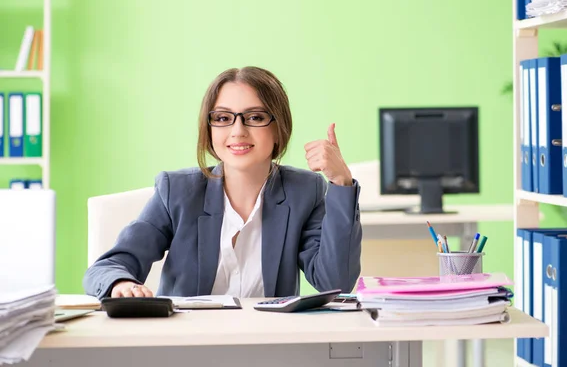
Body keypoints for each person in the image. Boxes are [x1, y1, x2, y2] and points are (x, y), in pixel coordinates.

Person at [83, 66, 362, 299]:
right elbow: (109, 266)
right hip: (188, 344)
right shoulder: (177, 191)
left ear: (279, 128)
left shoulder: (304, 191)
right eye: (223, 118)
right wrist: (121, 284)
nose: (238, 131)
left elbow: (334, 282)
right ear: (210, 128)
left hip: (267, 344)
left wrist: (342, 183)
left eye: (255, 117)